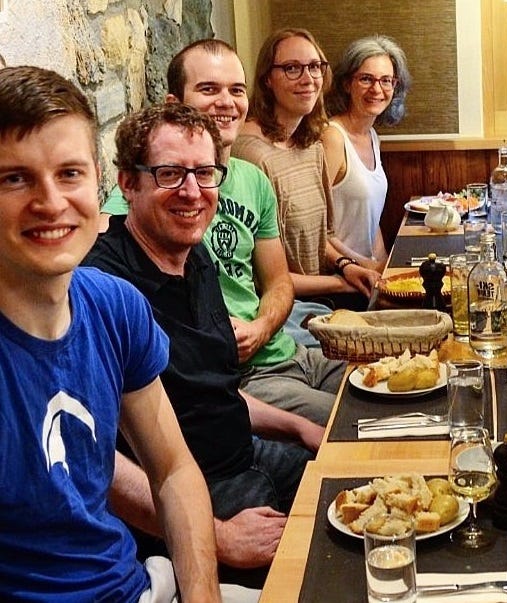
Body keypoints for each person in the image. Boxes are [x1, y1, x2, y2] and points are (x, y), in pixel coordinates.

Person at [0, 65, 220, 602]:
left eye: (69, 173)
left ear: (98, 180)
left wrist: (203, 596)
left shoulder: (113, 304)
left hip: (136, 584)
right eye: (14, 178)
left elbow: (173, 470)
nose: (51, 202)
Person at [84, 102, 322, 581]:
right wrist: (218, 536)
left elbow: (212, 393)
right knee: (317, 572)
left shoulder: (194, 256)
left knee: (351, 484)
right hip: (188, 497)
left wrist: (299, 428)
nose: (192, 192)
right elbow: (96, 457)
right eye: (170, 174)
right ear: (128, 183)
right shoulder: (104, 287)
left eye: (205, 173)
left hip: (244, 454)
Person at [102, 39, 346, 426]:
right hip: (240, 380)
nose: (227, 102)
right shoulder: (146, 193)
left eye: (236, 90)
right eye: (208, 89)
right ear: (174, 104)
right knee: (355, 425)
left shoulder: (252, 180)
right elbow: (99, 250)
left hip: (288, 351)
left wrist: (261, 327)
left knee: (400, 395)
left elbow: (278, 281)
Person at [233, 28, 380, 310]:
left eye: (314, 67)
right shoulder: (252, 154)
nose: (308, 78)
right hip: (281, 308)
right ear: (267, 79)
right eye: (292, 68)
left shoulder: (311, 144)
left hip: (320, 298)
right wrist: (340, 283)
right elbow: (262, 277)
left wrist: (347, 265)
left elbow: (318, 239)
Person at [322, 34, 411, 272]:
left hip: (366, 272)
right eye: (366, 79)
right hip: (339, 274)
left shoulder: (372, 136)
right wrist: (367, 266)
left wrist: (385, 266)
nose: (377, 89)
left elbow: (371, 221)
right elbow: (314, 227)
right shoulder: (332, 137)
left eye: (386, 80)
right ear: (346, 84)